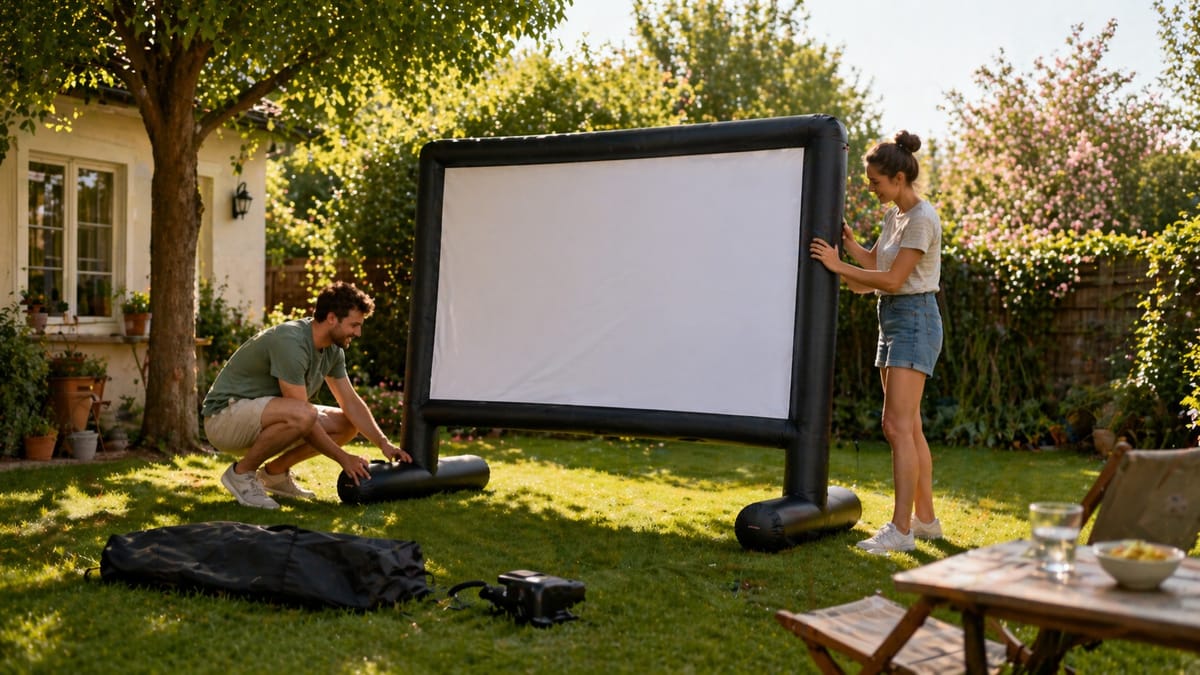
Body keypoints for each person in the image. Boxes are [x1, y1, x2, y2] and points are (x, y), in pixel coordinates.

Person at [810, 130, 944, 554]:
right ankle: (925, 521)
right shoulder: (895, 217)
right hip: (891, 318)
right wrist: (848, 249)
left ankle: (900, 530)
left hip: (915, 319)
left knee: (896, 426)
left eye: (876, 182)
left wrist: (837, 266)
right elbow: (876, 264)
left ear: (900, 178)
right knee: (910, 427)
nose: (871, 188)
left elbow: (891, 279)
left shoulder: (922, 218)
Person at [202, 281, 411, 509]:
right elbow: (303, 415)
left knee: (346, 424)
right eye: (354, 325)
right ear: (332, 318)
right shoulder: (291, 341)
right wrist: (343, 458)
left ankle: (275, 474)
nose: (358, 332)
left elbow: (350, 401)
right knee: (303, 414)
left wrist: (384, 444)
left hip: (262, 416)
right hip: (224, 419)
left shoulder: (332, 349)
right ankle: (241, 473)